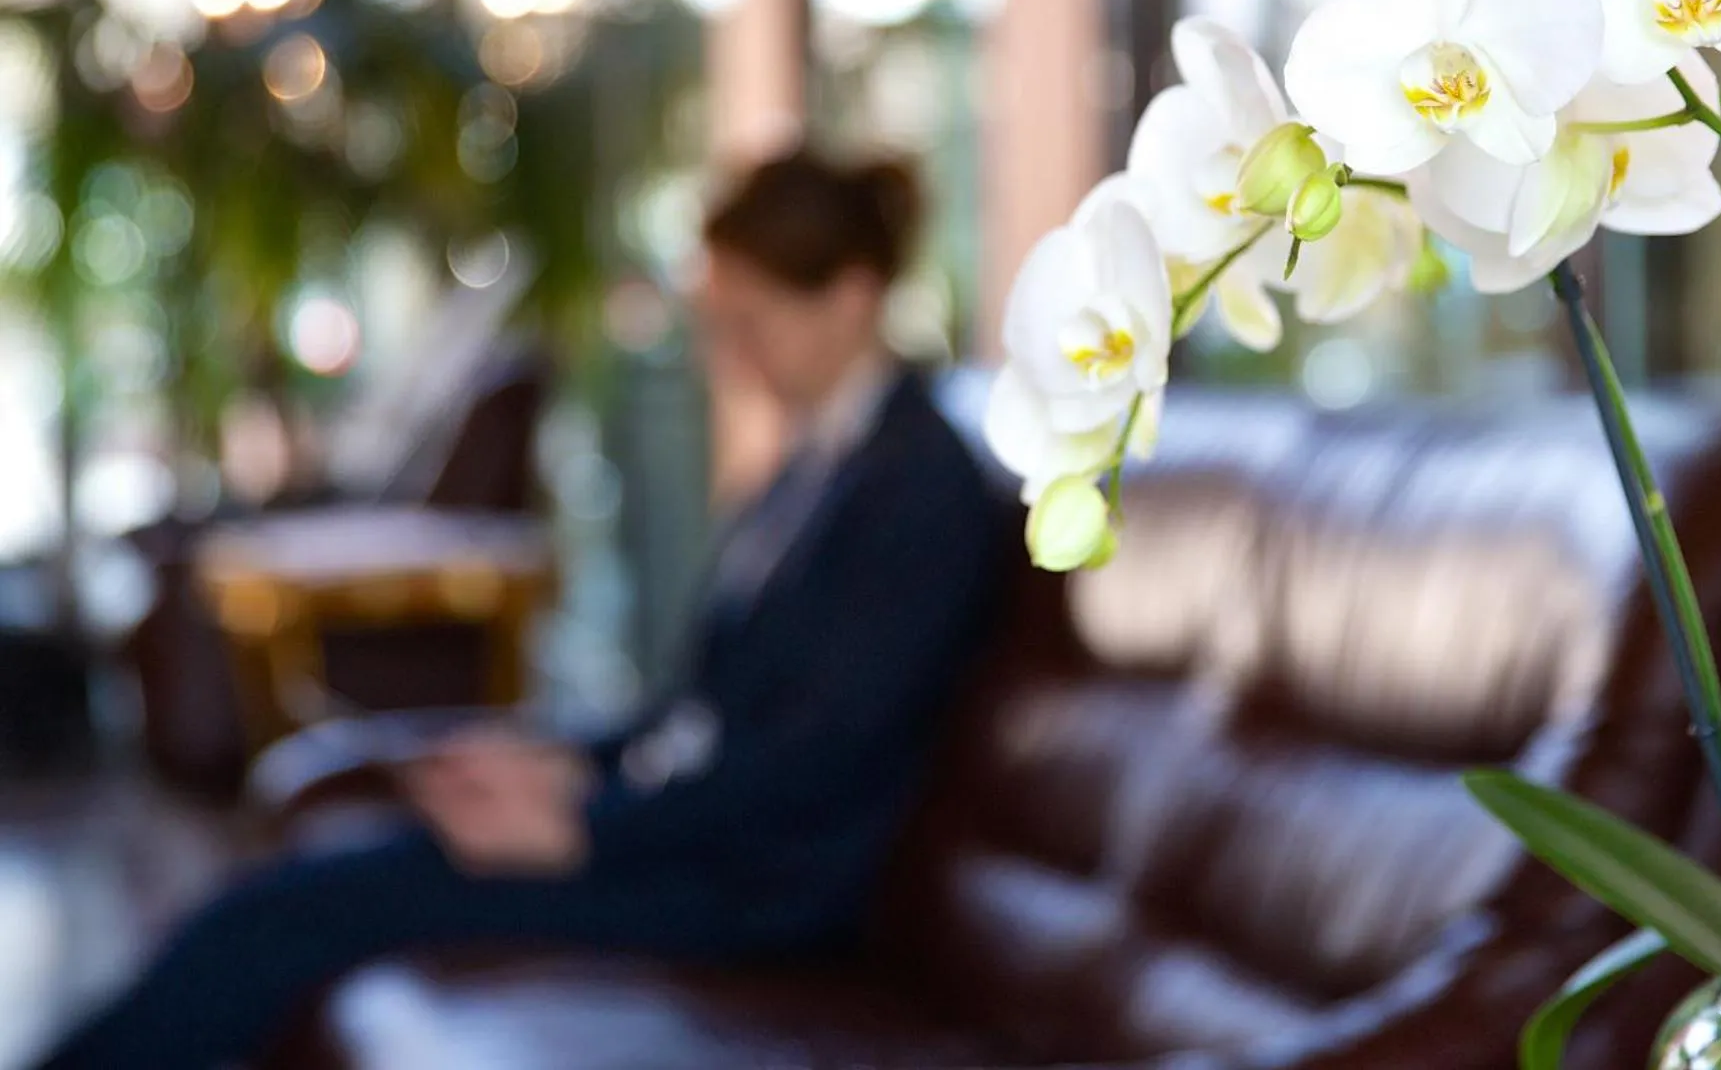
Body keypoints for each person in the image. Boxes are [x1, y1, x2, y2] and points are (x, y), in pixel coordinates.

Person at [37, 149, 1009, 1070]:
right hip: (690, 840)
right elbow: (709, 712)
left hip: (753, 887)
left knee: (293, 917)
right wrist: (562, 761)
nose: (732, 355)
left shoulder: (919, 488)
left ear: (850, 298)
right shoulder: (819, 464)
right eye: (722, 322)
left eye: (753, 320)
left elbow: (813, 761)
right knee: (291, 904)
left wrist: (588, 830)